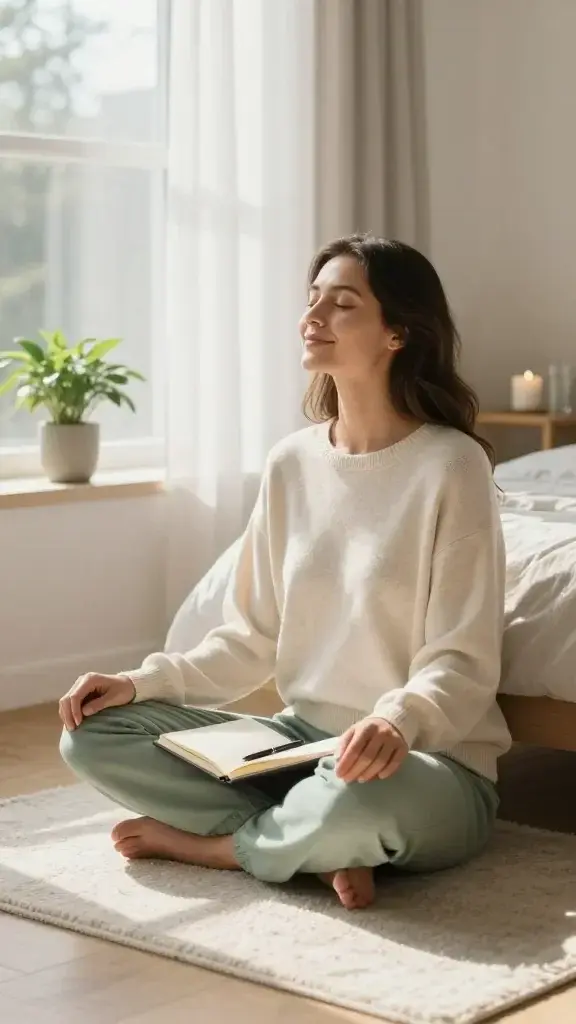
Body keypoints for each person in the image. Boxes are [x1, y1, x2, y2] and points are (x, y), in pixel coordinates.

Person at [59, 234, 511, 911]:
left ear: (398, 333)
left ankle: (222, 847)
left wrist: (394, 722)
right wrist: (137, 681)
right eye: (311, 301)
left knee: (360, 800)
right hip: (300, 747)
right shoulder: (292, 463)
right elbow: (250, 640)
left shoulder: (452, 466)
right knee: (90, 736)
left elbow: (463, 659)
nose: (312, 317)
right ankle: (308, 847)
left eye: (343, 304)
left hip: (426, 762)